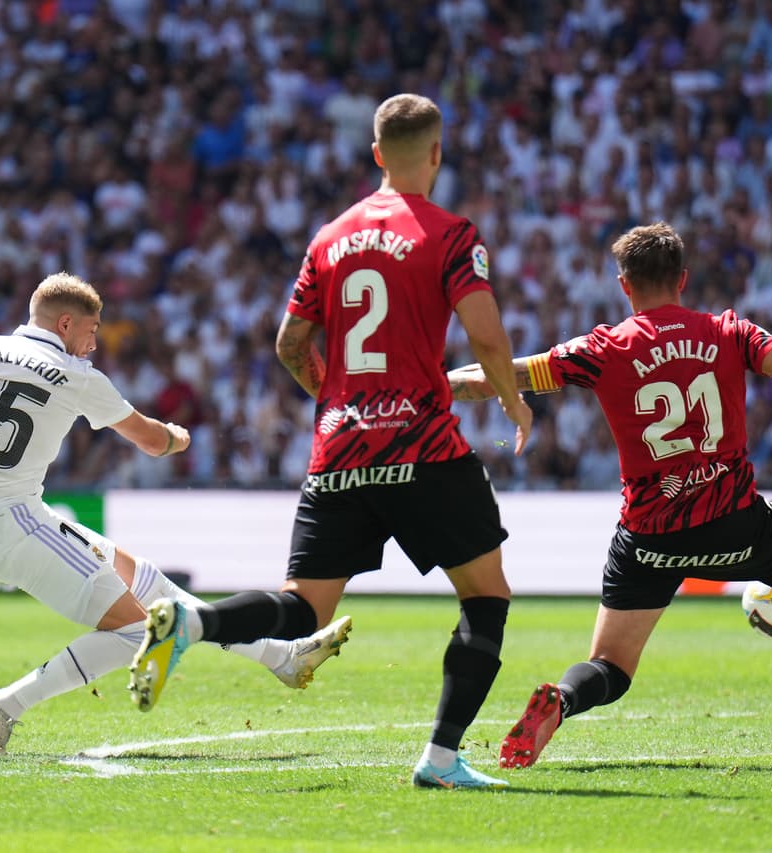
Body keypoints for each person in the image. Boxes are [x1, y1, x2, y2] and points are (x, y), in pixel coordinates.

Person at [447, 222, 772, 769]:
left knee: (610, 666)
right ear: (684, 279)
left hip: (648, 539)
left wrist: (431, 386)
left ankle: (563, 700)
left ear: (625, 286)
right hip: (736, 525)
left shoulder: (602, 348)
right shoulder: (728, 333)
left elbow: (501, 375)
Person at [128, 93, 534, 789]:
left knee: (303, 608)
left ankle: (192, 625)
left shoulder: (329, 237)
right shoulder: (452, 234)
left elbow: (290, 342)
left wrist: (334, 398)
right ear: (435, 154)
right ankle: (440, 757)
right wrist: (511, 399)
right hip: (423, 445)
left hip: (339, 447)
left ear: (376, 154)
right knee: (485, 596)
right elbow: (487, 335)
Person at [0, 273, 352, 755]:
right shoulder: (76, 374)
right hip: (16, 525)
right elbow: (150, 440)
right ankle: (6, 703)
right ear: (65, 324)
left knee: (147, 582)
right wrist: (177, 437)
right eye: (92, 329)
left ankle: (281, 657)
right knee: (144, 631)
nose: (94, 342)